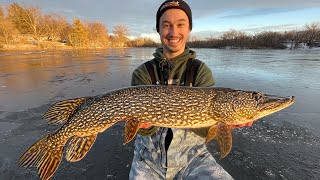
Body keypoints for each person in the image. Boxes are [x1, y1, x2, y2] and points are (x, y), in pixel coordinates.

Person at [129, 0, 252, 179]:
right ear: (158, 29)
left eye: (180, 24)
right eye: (166, 25)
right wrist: (143, 126)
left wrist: (221, 126)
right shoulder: (143, 73)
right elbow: (143, 129)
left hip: (193, 158)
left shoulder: (201, 71)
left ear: (189, 29)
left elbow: (203, 130)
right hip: (148, 160)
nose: (173, 32)